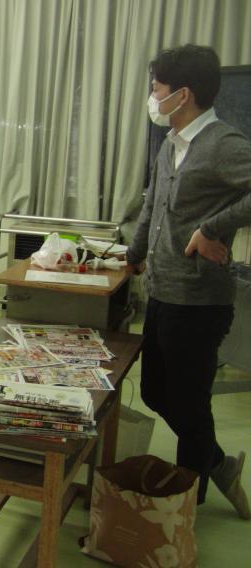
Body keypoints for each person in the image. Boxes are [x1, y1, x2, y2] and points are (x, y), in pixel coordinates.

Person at [127, 44, 251, 519]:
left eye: (156, 88)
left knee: (190, 402)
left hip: (200, 300)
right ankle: (218, 464)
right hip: (162, 291)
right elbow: (152, 206)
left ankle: (185, 511)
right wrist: (132, 258)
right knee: (156, 391)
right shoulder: (169, 145)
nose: (152, 96)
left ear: (183, 94)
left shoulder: (223, 144)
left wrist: (212, 228)